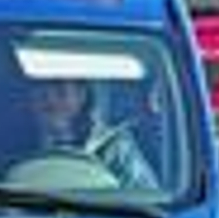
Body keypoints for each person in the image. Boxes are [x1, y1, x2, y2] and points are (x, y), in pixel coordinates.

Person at [24, 77, 159, 190]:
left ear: (81, 95)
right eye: (41, 89)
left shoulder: (115, 147)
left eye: (60, 90)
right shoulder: (13, 146)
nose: (50, 98)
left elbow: (146, 195)